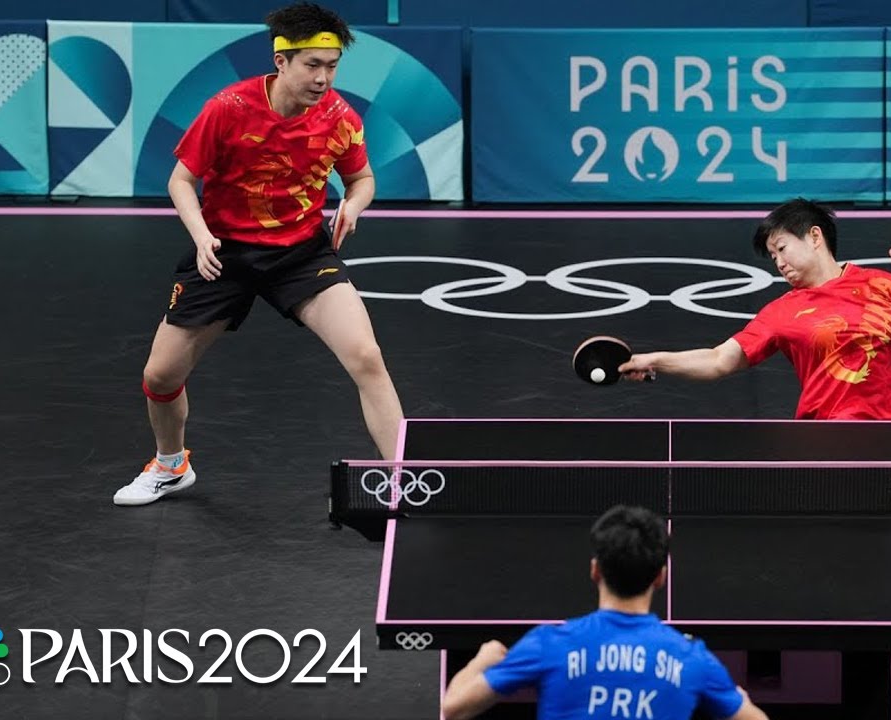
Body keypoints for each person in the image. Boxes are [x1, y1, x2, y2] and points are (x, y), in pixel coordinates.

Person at [114, 2, 403, 506]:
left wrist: (353, 205)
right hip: (224, 253)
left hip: (301, 253)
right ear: (281, 61)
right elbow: (181, 180)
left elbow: (362, 178)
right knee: (160, 375)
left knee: (366, 355)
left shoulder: (340, 118)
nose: (323, 78)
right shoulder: (228, 108)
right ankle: (171, 465)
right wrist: (201, 235)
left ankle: (407, 480)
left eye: (332, 66)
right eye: (312, 65)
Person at [619, 198, 891, 419]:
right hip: (819, 440)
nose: (778, 262)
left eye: (781, 248)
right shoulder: (780, 312)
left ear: (814, 237)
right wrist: (654, 360)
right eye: (773, 256)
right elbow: (719, 360)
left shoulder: (879, 284)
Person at [441, 505, 768, 720]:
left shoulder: (548, 643)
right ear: (661, 577)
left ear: (595, 570)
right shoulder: (693, 659)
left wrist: (482, 660)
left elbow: (453, 708)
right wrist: (736, 699)